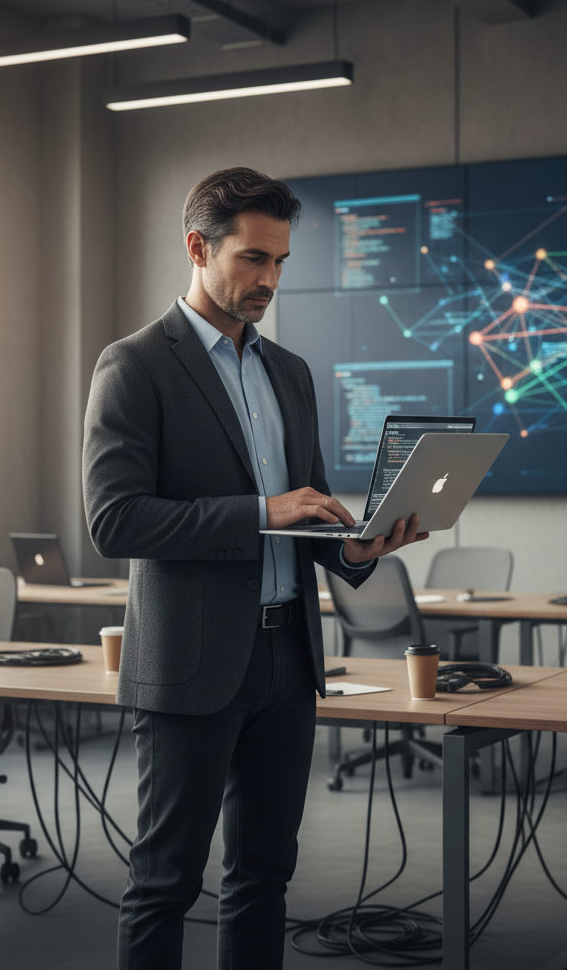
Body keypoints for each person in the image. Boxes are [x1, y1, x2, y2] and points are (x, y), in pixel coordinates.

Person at [82, 167, 427, 970]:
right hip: (192, 665)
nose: (268, 280)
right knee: (166, 880)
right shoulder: (134, 365)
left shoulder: (291, 374)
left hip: (286, 659)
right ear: (198, 247)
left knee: (265, 877)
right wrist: (259, 511)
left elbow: (305, 517)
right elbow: (113, 520)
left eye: (279, 263)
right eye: (251, 260)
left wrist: (355, 549)